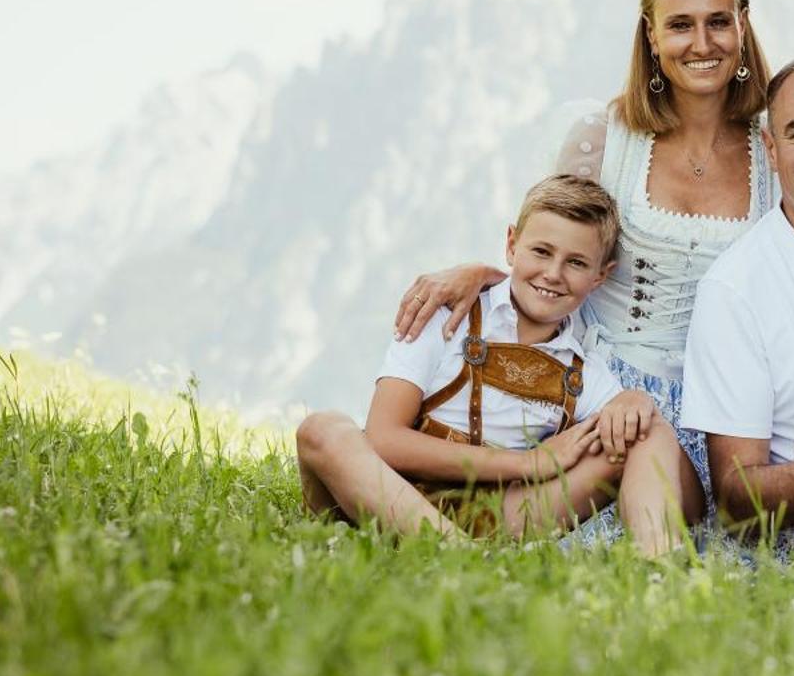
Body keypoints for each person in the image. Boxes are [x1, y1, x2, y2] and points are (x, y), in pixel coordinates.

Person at [393, 0, 776, 540]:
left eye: (718, 21)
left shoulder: (777, 148)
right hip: (604, 391)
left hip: (731, 409)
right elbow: (554, 243)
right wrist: (483, 271)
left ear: (742, 25)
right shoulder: (603, 138)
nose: (702, 43)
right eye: (679, 25)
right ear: (651, 36)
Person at [296, 175, 697, 553]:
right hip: (386, 495)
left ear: (600, 276)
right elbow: (384, 438)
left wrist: (637, 404)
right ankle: (457, 555)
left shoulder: (586, 370)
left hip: (497, 516)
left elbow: (693, 504)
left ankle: (657, 564)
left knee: (641, 428)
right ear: (511, 245)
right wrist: (527, 463)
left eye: (576, 263)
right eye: (541, 251)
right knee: (322, 428)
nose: (553, 274)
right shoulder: (446, 314)